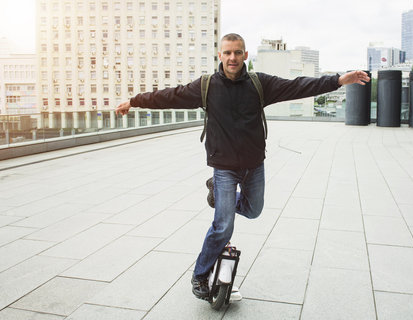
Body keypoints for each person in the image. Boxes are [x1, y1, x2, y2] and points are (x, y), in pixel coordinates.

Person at [116, 33, 370, 300]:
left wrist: (339, 80)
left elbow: (299, 86)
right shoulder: (206, 87)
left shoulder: (260, 84)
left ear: (245, 55)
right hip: (224, 166)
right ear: (220, 56)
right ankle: (200, 274)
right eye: (227, 53)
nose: (232, 58)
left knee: (254, 209)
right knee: (223, 225)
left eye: (237, 52)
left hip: (253, 165)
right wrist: (134, 101)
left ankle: (218, 195)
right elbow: (169, 96)